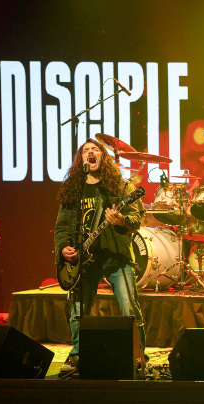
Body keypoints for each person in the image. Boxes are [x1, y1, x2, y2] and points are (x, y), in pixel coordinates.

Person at [54, 138, 146, 374]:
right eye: (86, 150)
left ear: (104, 157)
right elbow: (61, 227)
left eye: (95, 149)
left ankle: (138, 356)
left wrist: (121, 220)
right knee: (78, 311)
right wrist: (64, 248)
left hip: (116, 256)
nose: (91, 153)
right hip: (83, 261)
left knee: (129, 307)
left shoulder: (121, 187)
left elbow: (136, 219)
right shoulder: (74, 189)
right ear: (81, 159)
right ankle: (77, 355)